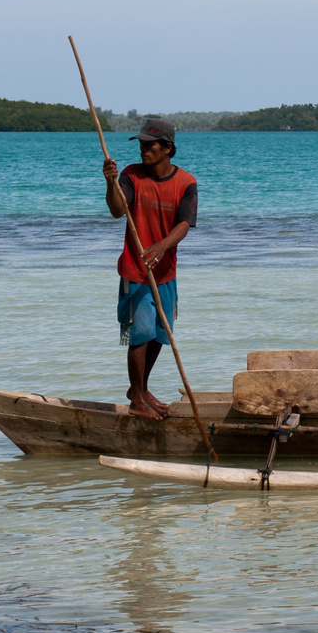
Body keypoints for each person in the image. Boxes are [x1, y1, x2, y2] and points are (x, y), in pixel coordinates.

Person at [102, 117, 197, 420]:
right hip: (136, 270)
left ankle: (139, 389)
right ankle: (137, 403)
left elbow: (184, 223)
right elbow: (118, 210)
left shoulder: (186, 182)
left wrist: (162, 246)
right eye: (141, 144)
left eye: (149, 144)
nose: (143, 149)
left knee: (160, 333)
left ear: (167, 148)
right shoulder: (131, 175)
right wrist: (110, 182)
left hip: (166, 271)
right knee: (141, 332)